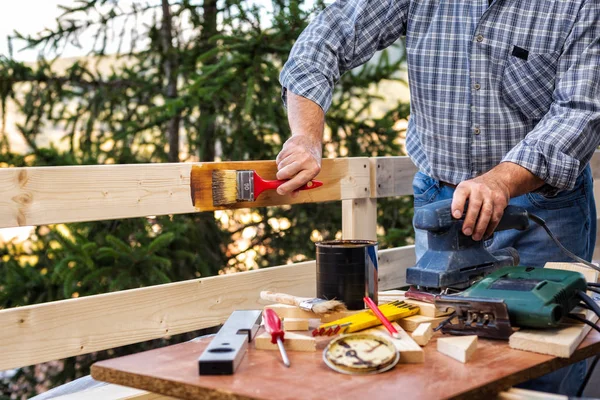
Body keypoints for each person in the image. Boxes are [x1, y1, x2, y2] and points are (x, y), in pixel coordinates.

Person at [275, 0, 600, 395]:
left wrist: (501, 180)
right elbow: (326, 37)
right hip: (441, 202)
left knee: (542, 359)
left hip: (541, 205)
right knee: (444, 349)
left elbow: (580, 111)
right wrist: (306, 136)